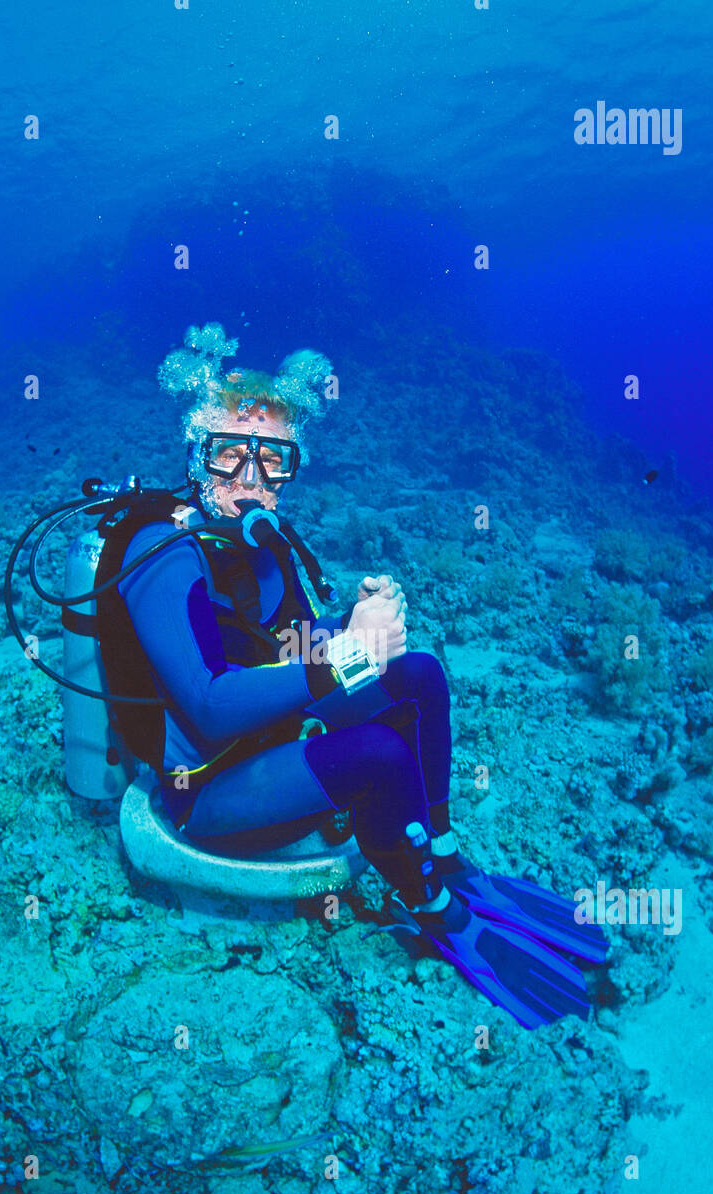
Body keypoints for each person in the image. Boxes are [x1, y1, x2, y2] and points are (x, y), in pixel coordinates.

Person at [110, 325, 607, 1029]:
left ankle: (442, 852)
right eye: (229, 456)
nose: (249, 481)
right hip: (208, 784)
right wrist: (350, 653)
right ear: (197, 456)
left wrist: (358, 624)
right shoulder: (164, 555)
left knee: (421, 677)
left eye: (272, 461)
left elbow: (289, 646)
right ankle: (430, 908)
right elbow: (213, 707)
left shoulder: (261, 543)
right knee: (377, 756)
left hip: (268, 734)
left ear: (293, 467)